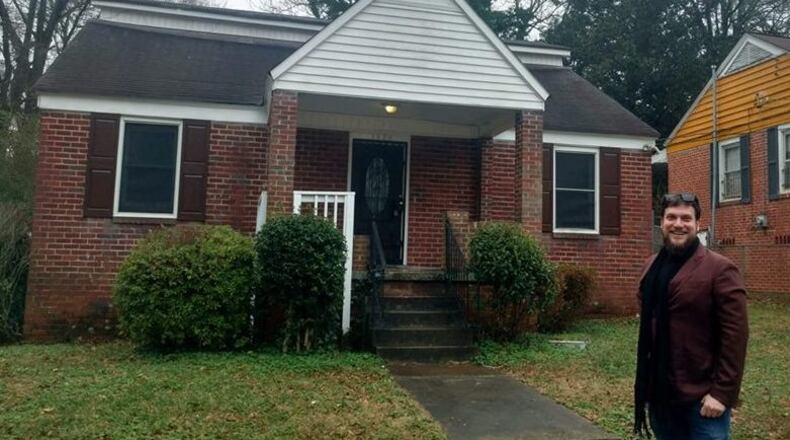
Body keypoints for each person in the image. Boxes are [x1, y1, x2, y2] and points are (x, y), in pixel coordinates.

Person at [634, 192, 748, 439]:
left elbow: (735, 337)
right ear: (662, 222)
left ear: (697, 224)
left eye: (686, 218)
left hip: (702, 400)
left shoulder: (719, 269)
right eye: (671, 217)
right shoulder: (651, 267)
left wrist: (722, 394)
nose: (678, 224)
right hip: (661, 397)